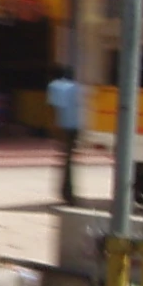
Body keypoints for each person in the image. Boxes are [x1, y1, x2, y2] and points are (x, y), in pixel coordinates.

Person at [47, 65, 82, 206]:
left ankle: (66, 193)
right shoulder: (76, 86)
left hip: (64, 126)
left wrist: (54, 129)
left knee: (65, 162)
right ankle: (69, 192)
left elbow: (56, 108)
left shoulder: (55, 86)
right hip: (76, 126)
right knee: (69, 161)